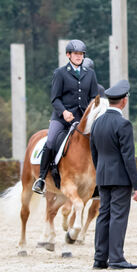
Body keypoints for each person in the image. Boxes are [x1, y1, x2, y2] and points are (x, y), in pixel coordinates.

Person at [32, 39, 99, 194]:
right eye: (76, 54)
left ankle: (97, 181)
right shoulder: (60, 73)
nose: (79, 56)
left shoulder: (90, 74)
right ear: (68, 55)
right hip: (62, 117)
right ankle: (41, 179)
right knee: (50, 141)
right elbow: (55, 98)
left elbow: (94, 97)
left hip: (83, 119)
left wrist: (90, 115)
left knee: (99, 142)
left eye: (81, 54)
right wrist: (64, 112)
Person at [90, 80, 137, 269]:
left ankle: (100, 258)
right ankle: (117, 258)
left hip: (103, 176)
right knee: (118, 216)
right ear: (124, 101)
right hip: (120, 178)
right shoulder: (123, 124)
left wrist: (100, 172)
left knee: (103, 215)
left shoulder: (96, 123)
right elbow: (128, 157)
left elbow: (94, 153)